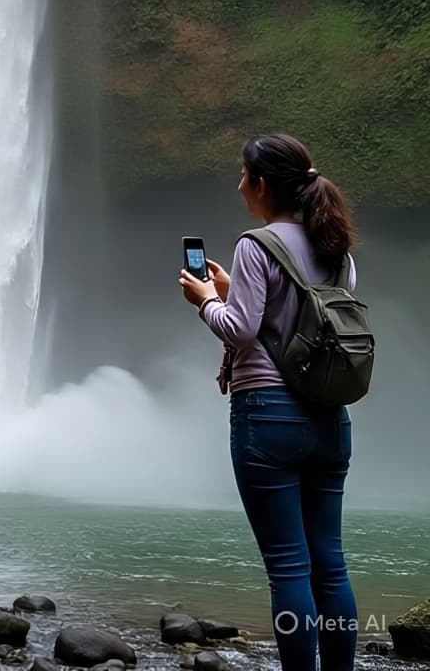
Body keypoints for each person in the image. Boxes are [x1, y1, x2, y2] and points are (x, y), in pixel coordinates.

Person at [180, 133, 358, 671]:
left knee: (288, 567)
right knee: (330, 563)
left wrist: (208, 300)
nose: (239, 186)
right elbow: (309, 318)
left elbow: (241, 329)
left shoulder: (256, 244)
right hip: (331, 419)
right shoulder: (336, 248)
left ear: (260, 184)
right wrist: (240, 288)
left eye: (242, 176)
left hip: (268, 419)